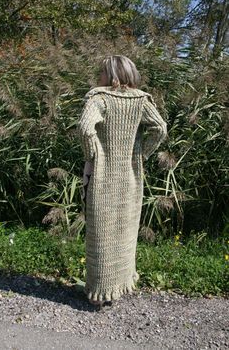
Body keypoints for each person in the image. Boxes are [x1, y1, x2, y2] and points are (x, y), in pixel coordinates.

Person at [77, 55, 167, 307]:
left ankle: (99, 291)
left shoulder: (100, 98)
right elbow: (160, 128)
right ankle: (119, 284)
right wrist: (141, 154)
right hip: (130, 174)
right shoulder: (141, 100)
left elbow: (85, 128)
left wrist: (92, 154)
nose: (99, 77)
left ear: (113, 75)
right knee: (123, 229)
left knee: (101, 231)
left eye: (102, 72)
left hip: (102, 175)